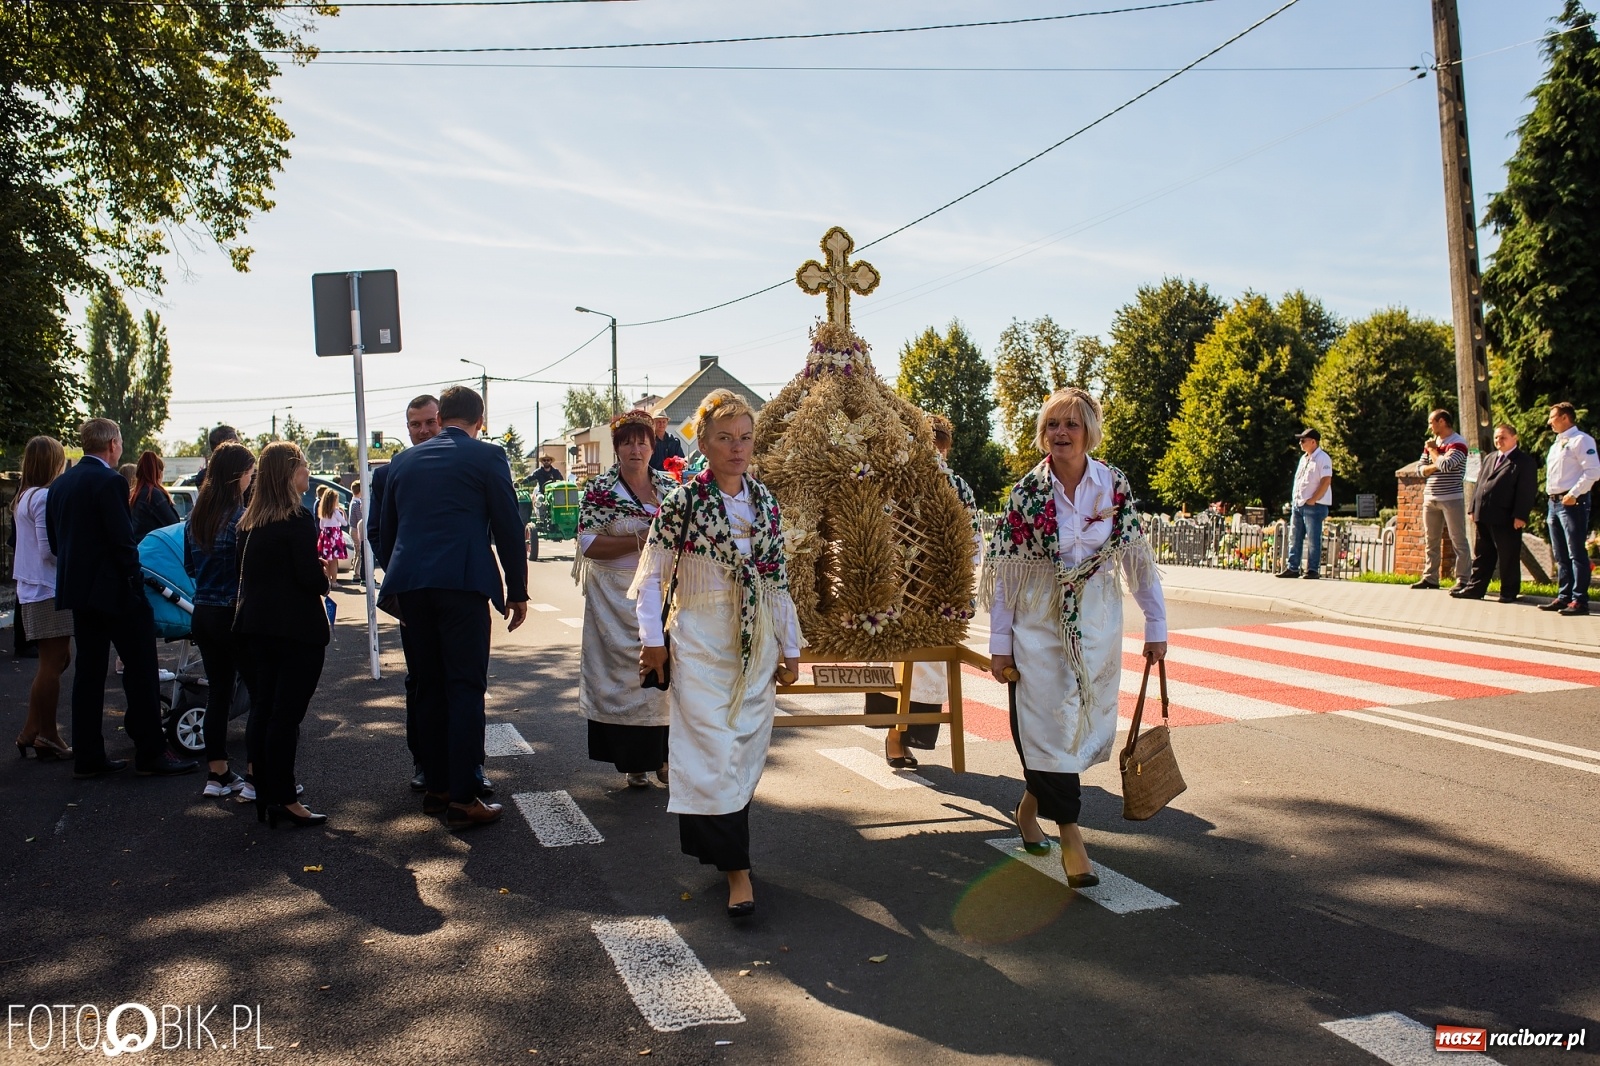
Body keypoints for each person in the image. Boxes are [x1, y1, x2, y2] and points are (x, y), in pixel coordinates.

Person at [984, 388, 1166, 888]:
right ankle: (1070, 833)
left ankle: (1028, 808)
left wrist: (1156, 626)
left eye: (1071, 424)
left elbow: (1137, 558)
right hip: (1039, 622)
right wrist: (1000, 645)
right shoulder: (1027, 493)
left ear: (1090, 432)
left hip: (1098, 621)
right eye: (1052, 424)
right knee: (1045, 724)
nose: (1060, 433)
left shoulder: (1113, 484)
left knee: (1076, 728)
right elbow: (1006, 575)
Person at [632, 388, 802, 919]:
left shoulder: (766, 503)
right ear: (703, 443)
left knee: (743, 751)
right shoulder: (683, 503)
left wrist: (791, 647)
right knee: (712, 750)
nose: (737, 447)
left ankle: (720, 848)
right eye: (725, 438)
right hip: (701, 645)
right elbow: (652, 577)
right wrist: (652, 642)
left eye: (745, 437)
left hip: (756, 647)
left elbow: (777, 582)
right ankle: (737, 872)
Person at [378, 386, 529, 829]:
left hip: (412, 586)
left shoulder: (402, 462)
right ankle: (464, 797)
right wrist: (517, 591)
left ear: (441, 418)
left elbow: (388, 533)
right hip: (462, 584)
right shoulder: (488, 456)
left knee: (428, 685)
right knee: (464, 686)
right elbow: (507, 525)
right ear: (480, 421)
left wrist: (404, 576)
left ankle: (437, 786)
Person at [46, 418, 196, 778]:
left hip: (78, 591)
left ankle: (88, 755)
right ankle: (151, 751)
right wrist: (134, 582)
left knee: (89, 674)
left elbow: (54, 541)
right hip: (116, 591)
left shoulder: (61, 483)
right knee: (141, 670)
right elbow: (123, 541)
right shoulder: (110, 481)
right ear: (113, 444)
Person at [371, 393, 495, 795]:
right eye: (415, 425)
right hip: (425, 591)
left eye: (429, 422)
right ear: (407, 428)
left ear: (441, 420)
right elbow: (381, 533)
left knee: (454, 684)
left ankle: (460, 773)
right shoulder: (393, 469)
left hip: (446, 585)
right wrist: (405, 574)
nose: (423, 430)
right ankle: (435, 770)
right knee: (431, 683)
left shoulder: (464, 460)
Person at [864, 413, 982, 767]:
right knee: (894, 658)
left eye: (941, 449)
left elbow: (973, 538)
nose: (936, 455)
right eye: (930, 446)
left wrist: (960, 580)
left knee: (928, 665)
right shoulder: (897, 481)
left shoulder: (957, 486)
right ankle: (893, 736)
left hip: (939, 587)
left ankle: (909, 735)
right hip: (898, 584)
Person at [576, 411, 675, 788]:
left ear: (652, 445)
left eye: (642, 441)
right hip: (613, 598)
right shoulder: (601, 490)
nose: (636, 449)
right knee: (625, 680)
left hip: (662, 593)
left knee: (663, 674)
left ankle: (664, 757)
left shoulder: (670, 488)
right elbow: (588, 544)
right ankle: (635, 763)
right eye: (628, 442)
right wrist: (641, 539)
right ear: (617, 447)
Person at [235, 442, 330, 828]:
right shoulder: (297, 518)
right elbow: (308, 579)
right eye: (304, 466)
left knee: (264, 710)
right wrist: (324, 576)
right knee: (286, 716)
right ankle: (285, 797)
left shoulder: (249, 523)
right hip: (296, 630)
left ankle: (263, 789)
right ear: (290, 473)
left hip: (255, 627)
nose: (308, 473)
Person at [183, 442, 255, 796]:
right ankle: (257, 777)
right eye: (250, 473)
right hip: (233, 613)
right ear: (238, 476)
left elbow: (189, 567)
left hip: (202, 611)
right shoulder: (242, 519)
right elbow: (249, 571)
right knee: (258, 692)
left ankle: (218, 773)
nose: (251, 479)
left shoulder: (194, 519)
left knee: (218, 692)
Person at [12, 436, 74, 761]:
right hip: (47, 588)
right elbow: (49, 550)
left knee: (58, 661)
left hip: (31, 587)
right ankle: (47, 735)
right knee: (52, 664)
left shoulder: (24, 496)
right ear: (53, 462)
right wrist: (77, 558)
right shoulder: (43, 497)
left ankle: (31, 730)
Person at [1454, 424, 1537, 603]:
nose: (1499, 441)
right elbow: (1479, 484)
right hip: (1484, 514)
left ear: (1515, 438)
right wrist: (1473, 508)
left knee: (1508, 555)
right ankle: (1475, 589)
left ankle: (1508, 592)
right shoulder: (1490, 457)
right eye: (1496, 437)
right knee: (1482, 554)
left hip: (1506, 517)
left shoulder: (1523, 462)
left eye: (1503, 437)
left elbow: (1526, 491)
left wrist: (1520, 515)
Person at [1541, 401, 1600, 616]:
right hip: (1554, 502)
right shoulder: (1556, 444)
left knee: (1576, 552)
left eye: (1553, 417)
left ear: (1565, 417)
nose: (1549, 422)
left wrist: (1573, 494)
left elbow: (1593, 472)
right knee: (1560, 554)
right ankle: (1564, 596)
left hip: (1572, 502)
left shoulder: (1581, 440)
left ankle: (1579, 600)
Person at [1412, 409, 1473, 590]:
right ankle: (1430, 577)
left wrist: (1433, 451)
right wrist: (1435, 462)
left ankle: (1463, 578)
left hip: (1451, 497)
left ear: (1442, 422)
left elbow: (1447, 465)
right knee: (1431, 540)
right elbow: (1419, 470)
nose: (1429, 427)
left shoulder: (1458, 443)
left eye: (1431, 422)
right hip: (1430, 497)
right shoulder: (1433, 443)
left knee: (1458, 539)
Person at [1276, 428, 1333, 580]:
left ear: (1313, 442)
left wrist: (1313, 499)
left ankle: (1312, 570)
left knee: (1313, 539)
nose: (1300, 443)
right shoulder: (1303, 459)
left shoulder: (1323, 458)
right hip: (1299, 504)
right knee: (1294, 537)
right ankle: (1293, 568)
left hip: (1314, 505)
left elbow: (1326, 481)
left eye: (1303, 440)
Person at [129, 451, 179, 541]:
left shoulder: (135, 495)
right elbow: (174, 525)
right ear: (158, 473)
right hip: (153, 546)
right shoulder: (153, 495)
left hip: (138, 545)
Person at [315, 488, 348, 584]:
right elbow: (345, 523)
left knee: (327, 560)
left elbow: (321, 526)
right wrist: (343, 512)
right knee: (334, 561)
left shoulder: (323, 512)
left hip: (326, 536)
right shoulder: (336, 512)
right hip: (335, 536)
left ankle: (328, 580)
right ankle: (334, 581)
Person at [347, 480, 365, 578]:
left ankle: (355, 570)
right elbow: (360, 518)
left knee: (357, 551)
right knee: (359, 551)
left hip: (353, 529)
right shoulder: (357, 504)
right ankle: (357, 573)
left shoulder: (353, 501)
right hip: (356, 530)